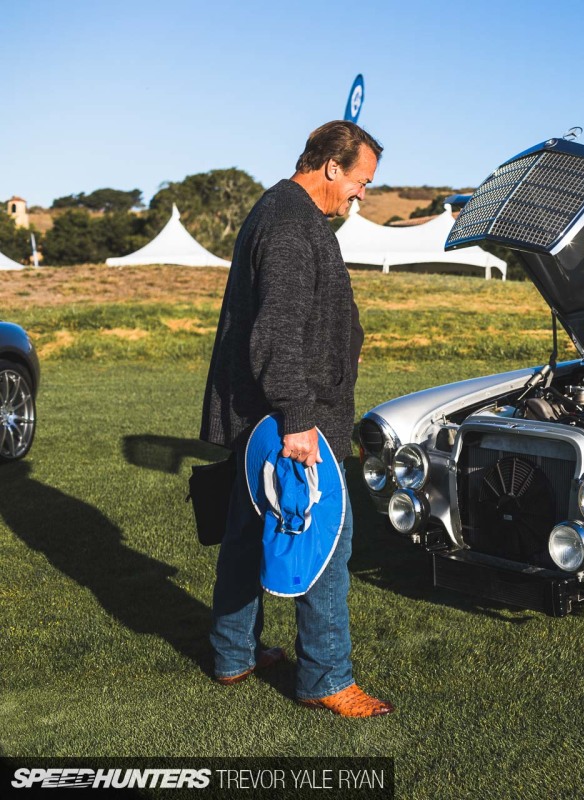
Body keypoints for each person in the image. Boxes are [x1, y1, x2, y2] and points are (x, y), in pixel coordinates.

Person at [200, 121, 391, 717]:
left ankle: (233, 653)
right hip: (289, 418)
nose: (361, 194)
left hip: (263, 416)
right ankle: (326, 679)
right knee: (327, 543)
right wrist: (298, 417)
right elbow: (276, 335)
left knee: (244, 534)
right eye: (360, 181)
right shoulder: (289, 223)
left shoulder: (285, 210)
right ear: (332, 166)